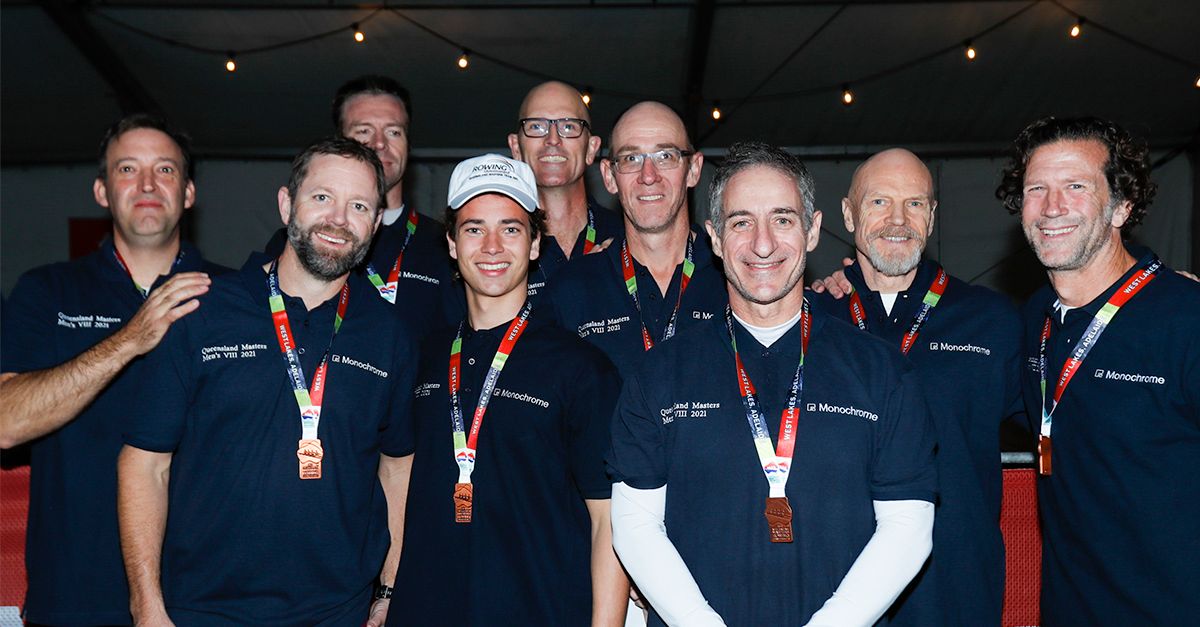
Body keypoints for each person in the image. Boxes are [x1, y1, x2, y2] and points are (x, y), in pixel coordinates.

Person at [609, 141, 937, 626]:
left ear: (812, 231)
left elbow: (908, 526)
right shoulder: (659, 372)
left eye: (783, 219)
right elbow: (634, 523)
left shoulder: (882, 371)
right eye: (742, 222)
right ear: (716, 239)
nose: (763, 244)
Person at [117, 137, 415, 625]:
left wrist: (387, 588)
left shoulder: (390, 334)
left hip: (338, 612)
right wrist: (146, 605)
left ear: (376, 221)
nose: (339, 219)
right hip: (202, 610)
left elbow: (398, 469)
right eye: (322, 198)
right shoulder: (200, 312)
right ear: (286, 205)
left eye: (358, 205)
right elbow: (145, 464)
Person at [0, 113, 225, 625]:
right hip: (73, 599)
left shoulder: (233, 296)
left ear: (188, 193)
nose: (147, 184)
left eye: (165, 170)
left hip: (203, 600)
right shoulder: (47, 291)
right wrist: (129, 340)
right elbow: (5, 422)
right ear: (102, 191)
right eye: (128, 169)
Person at [387, 154, 627, 625]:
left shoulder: (581, 368)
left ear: (536, 243)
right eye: (474, 229)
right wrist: (387, 590)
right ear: (452, 244)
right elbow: (396, 477)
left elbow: (608, 521)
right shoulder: (423, 356)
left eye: (511, 229)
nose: (492, 246)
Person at [995, 116, 1200, 625]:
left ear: (1122, 205)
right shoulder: (1031, 319)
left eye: (1076, 186)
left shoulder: (1186, 318)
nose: (1052, 206)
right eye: (1036, 188)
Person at [807, 148, 1021, 626]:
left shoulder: (991, 321)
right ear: (848, 213)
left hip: (953, 590)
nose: (898, 220)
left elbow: (1077, 407)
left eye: (915, 204)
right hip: (831, 590)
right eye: (879, 202)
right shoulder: (809, 316)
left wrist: (1147, 300)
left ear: (932, 216)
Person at [544, 101, 727, 376]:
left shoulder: (737, 275)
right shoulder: (570, 289)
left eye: (665, 156)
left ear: (693, 170)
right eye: (631, 158)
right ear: (609, 176)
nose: (648, 176)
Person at [264, 75, 460, 326]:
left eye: (394, 131)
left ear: (408, 144)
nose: (379, 143)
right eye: (364, 131)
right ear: (339, 142)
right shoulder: (302, 240)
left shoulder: (445, 244)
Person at [507, 81, 622, 296]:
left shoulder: (626, 240)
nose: (552, 139)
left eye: (568, 126)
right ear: (516, 148)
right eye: (536, 126)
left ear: (591, 149)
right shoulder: (497, 247)